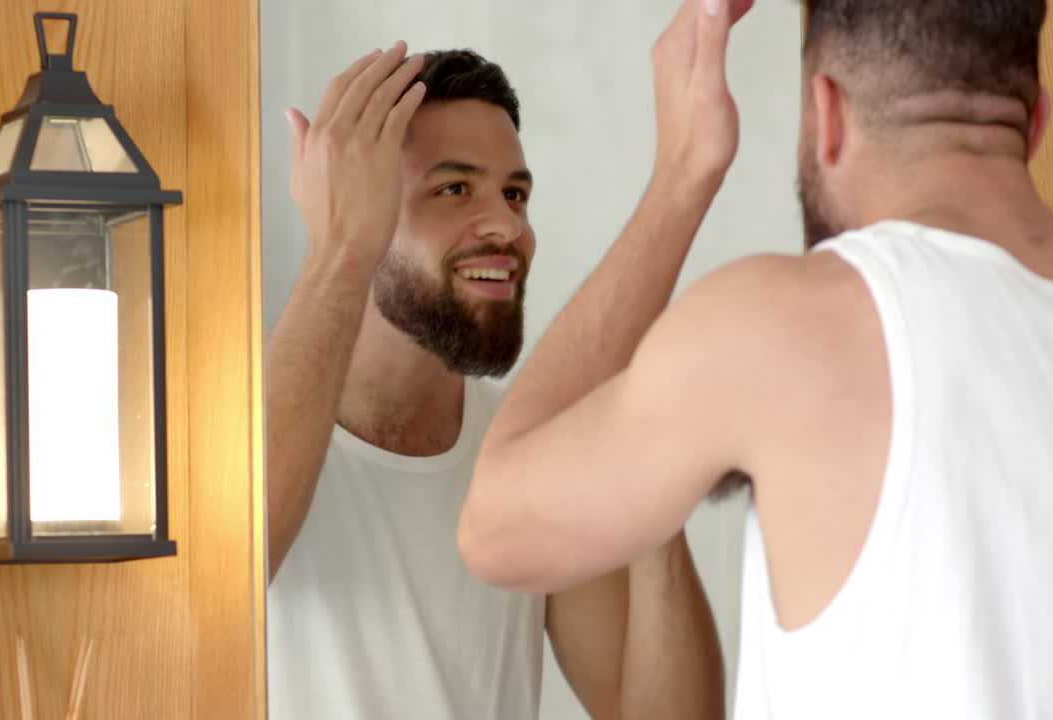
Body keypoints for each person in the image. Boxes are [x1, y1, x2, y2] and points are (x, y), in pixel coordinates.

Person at [460, 0, 1053, 717]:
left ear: (827, 115)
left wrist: (682, 173)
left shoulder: (783, 325)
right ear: (1036, 124)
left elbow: (494, 530)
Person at [264, 43, 723, 719]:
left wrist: (654, 468)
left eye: (515, 193)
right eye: (455, 189)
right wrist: (341, 246)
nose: (509, 226)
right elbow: (225, 575)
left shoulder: (521, 462)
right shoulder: (230, 423)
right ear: (353, 201)